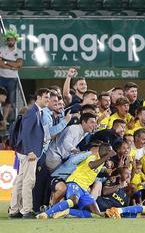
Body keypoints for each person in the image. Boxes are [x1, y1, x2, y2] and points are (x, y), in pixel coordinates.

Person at [36, 143, 116, 219]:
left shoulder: (101, 162)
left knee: (97, 214)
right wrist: (107, 156)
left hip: (84, 189)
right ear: (103, 151)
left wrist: (107, 170)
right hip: (75, 182)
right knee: (73, 201)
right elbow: (91, 165)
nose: (111, 154)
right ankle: (46, 213)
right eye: (109, 151)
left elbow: (99, 169)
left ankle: (67, 211)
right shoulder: (92, 157)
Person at [9, 88, 50, 219]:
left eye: (48, 97)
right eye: (46, 97)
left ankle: (14, 209)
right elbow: (25, 133)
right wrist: (30, 151)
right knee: (29, 181)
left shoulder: (36, 112)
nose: (48, 100)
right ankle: (26, 210)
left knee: (20, 180)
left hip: (27, 151)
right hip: (29, 152)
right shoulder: (33, 112)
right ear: (38, 97)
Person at [0, 29, 24, 121]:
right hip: (1, 77)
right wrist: (12, 66)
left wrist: (5, 62)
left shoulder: (19, 51)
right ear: (7, 40)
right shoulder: (2, 49)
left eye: (12, 39)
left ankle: (4, 121)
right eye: (9, 39)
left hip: (12, 79)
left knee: (9, 101)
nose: (11, 41)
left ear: (15, 40)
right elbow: (0, 63)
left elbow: (19, 64)